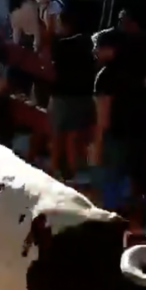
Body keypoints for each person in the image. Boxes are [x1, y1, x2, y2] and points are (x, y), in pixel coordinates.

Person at [90, 28, 146, 218]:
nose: (95, 51)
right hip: (136, 136)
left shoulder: (105, 77)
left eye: (98, 47)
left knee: (108, 189)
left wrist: (97, 145)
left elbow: (103, 117)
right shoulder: (137, 73)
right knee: (127, 188)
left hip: (113, 138)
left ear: (111, 49)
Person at [46, 9, 95, 182]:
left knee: (58, 134)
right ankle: (72, 175)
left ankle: (53, 170)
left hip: (63, 95)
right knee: (74, 137)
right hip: (85, 96)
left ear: (67, 25)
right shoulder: (91, 43)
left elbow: (51, 66)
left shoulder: (62, 45)